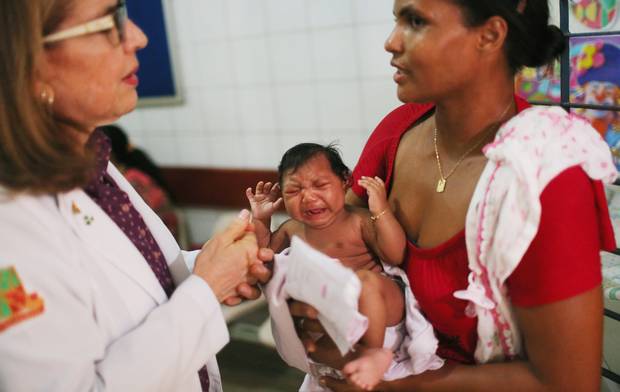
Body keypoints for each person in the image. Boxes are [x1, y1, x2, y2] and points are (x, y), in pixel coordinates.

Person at [284, 0, 618, 391]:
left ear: (490, 35)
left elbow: (567, 383)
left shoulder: (539, 176)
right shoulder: (398, 130)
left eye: (415, 21)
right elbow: (341, 245)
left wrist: (397, 387)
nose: (391, 42)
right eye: (397, 20)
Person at [0, 1, 270, 391]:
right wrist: (208, 288)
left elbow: (135, 281)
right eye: (110, 23)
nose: (139, 38)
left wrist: (218, 264)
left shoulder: (90, 157)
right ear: (29, 62)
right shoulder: (11, 225)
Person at [246, 143, 408, 390]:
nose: (308, 197)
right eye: (293, 191)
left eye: (320, 186)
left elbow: (395, 254)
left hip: (377, 311)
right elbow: (263, 257)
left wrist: (381, 210)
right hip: (332, 322)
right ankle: (339, 360)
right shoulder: (293, 229)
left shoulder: (359, 221)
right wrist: (261, 218)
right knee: (316, 352)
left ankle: (372, 354)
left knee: (365, 281)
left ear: (345, 180)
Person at [100, 124, 183, 243]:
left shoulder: (132, 180)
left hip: (161, 237)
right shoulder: (119, 176)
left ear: (109, 152)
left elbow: (137, 220)